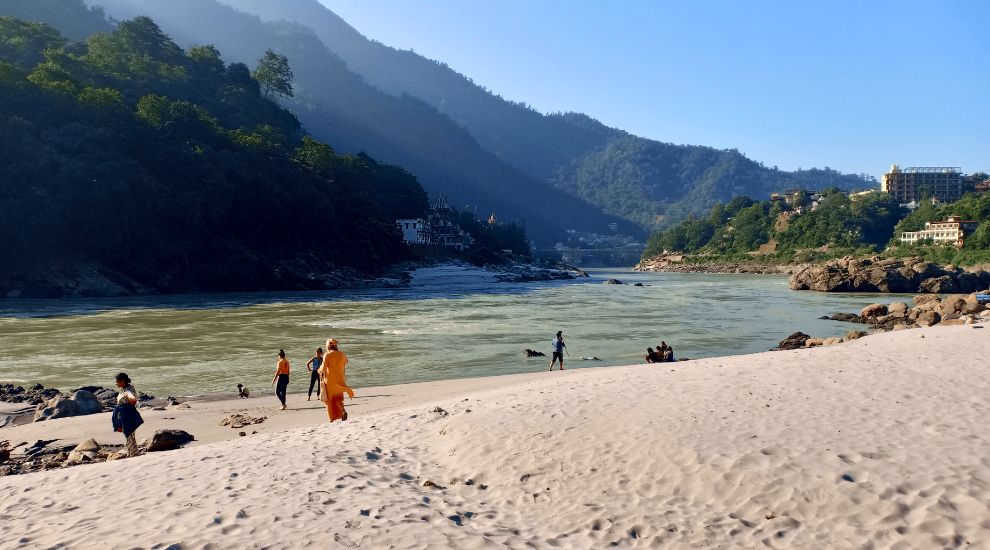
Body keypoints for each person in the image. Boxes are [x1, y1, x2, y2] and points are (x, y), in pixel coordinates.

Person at [319, 338, 354, 423]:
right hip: (340, 380)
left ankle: (331, 420)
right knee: (338, 398)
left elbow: (323, 369)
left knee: (329, 401)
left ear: (328, 346)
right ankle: (342, 411)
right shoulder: (342, 354)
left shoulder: (327, 355)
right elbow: (346, 362)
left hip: (330, 381)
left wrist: (318, 370)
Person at [111, 372, 143, 458]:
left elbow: (133, 399)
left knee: (129, 434)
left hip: (128, 414)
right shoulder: (123, 389)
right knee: (129, 435)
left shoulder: (129, 389)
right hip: (123, 414)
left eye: (117, 381)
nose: (116, 383)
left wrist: (129, 401)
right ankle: (134, 453)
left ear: (123, 381)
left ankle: (131, 454)